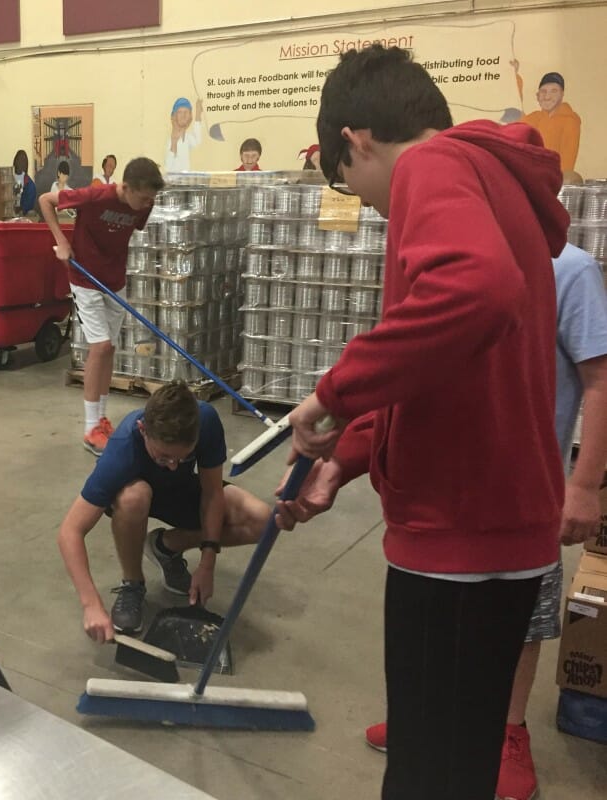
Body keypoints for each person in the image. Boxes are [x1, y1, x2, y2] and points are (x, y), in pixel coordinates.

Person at [276, 45, 569, 800]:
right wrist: (349, 456)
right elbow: (453, 360)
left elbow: (475, 293)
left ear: (355, 139)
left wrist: (329, 397)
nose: (372, 206)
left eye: (354, 187)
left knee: (421, 778)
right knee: (455, 766)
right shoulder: (492, 177)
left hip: (455, 532)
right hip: (503, 528)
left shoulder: (430, 168)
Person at [362, 242, 607, 800]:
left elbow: (600, 377)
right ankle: (425, 721)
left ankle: (509, 730)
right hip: (443, 493)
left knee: (523, 618)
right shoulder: (447, 259)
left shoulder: (570, 270)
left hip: (526, 494)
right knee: (434, 615)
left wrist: (585, 484)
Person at [57, 382, 277, 636]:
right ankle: (133, 584)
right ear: (143, 431)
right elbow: (69, 531)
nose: (173, 465)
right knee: (134, 497)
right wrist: (91, 604)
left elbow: (212, 492)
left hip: (181, 491)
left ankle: (166, 547)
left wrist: (207, 563)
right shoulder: (122, 448)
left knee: (262, 520)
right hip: (139, 498)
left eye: (182, 458)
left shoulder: (204, 419)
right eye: (163, 457)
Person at [39, 157, 164, 455]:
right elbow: (46, 200)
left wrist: (146, 204)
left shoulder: (143, 204)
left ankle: (102, 421)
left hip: (114, 280)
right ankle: (90, 428)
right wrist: (62, 241)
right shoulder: (95, 196)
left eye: (151, 199)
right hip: (84, 277)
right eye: (144, 197)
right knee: (100, 346)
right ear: (126, 187)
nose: (147, 204)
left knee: (109, 350)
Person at [521, 72, 580, 172]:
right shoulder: (533, 118)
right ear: (537, 96)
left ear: (562, 94)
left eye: (554, 91)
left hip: (552, 181)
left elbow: (567, 165)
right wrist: (513, 73)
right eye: (543, 91)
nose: (547, 97)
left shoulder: (569, 121)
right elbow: (515, 105)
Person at [164, 97, 202, 173]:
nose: (183, 115)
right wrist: (174, 144)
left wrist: (198, 113)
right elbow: (168, 168)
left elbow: (197, 142)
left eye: (186, 112)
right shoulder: (171, 140)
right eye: (180, 112)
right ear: (174, 116)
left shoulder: (187, 137)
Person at [12, 149, 37, 215]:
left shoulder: (30, 186)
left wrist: (20, 209)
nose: (20, 163)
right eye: (19, 161)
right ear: (14, 163)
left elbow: (27, 207)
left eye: (23, 162)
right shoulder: (9, 181)